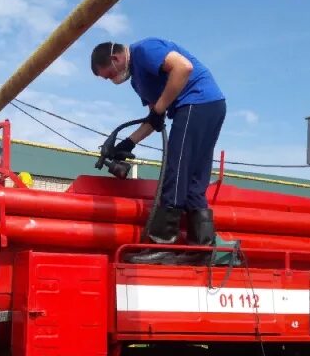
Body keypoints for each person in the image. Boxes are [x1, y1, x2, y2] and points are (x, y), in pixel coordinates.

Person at [91, 37, 226, 264]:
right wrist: (127, 143)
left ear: (116, 59)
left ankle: (164, 245)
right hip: (208, 107)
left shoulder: (145, 50)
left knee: (176, 172)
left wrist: (161, 108)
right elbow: (155, 118)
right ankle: (201, 249)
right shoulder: (138, 82)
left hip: (197, 102)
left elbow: (183, 68)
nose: (112, 80)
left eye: (110, 75)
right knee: (193, 183)